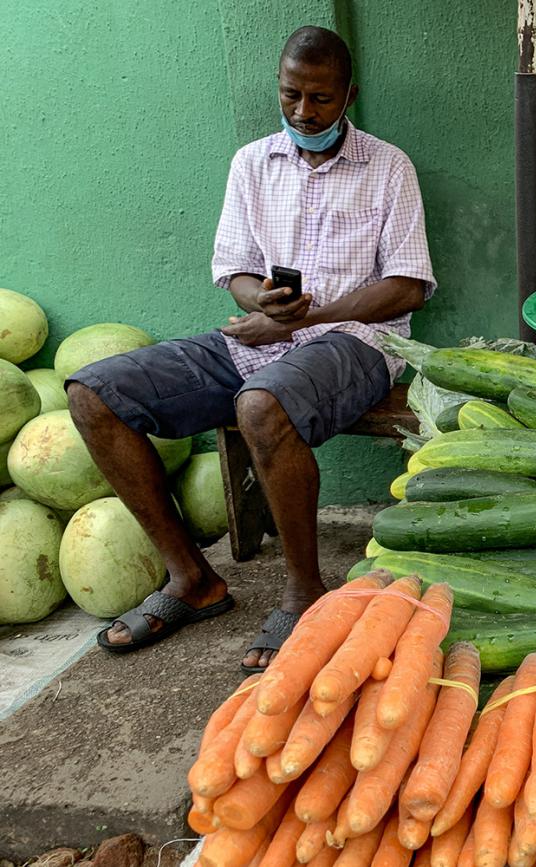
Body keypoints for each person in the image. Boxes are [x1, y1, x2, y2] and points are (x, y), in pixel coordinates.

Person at [65, 26, 434, 672]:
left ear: (350, 95)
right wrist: (260, 302)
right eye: (290, 95)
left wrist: (307, 316)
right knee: (94, 394)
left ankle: (304, 591)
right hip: (258, 341)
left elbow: (407, 286)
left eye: (319, 99)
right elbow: (233, 269)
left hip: (358, 344)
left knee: (261, 407)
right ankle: (191, 579)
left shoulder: (389, 167)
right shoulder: (252, 163)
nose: (302, 112)